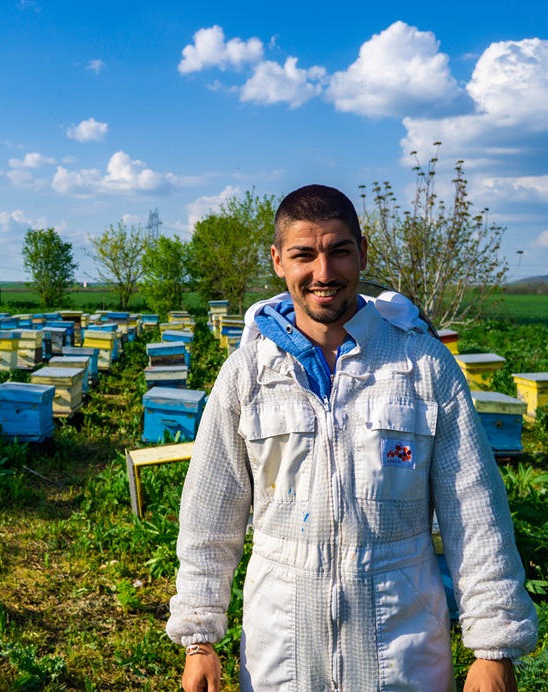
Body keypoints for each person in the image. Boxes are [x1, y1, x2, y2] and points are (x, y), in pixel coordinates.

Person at [166, 184, 537, 691]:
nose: (323, 273)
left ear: (362, 253)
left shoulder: (424, 368)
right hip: (282, 652)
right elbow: (210, 517)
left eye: (338, 251)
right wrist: (199, 639)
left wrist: (494, 648)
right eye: (303, 255)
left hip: (404, 651)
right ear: (278, 261)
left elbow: (474, 514)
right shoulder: (247, 375)